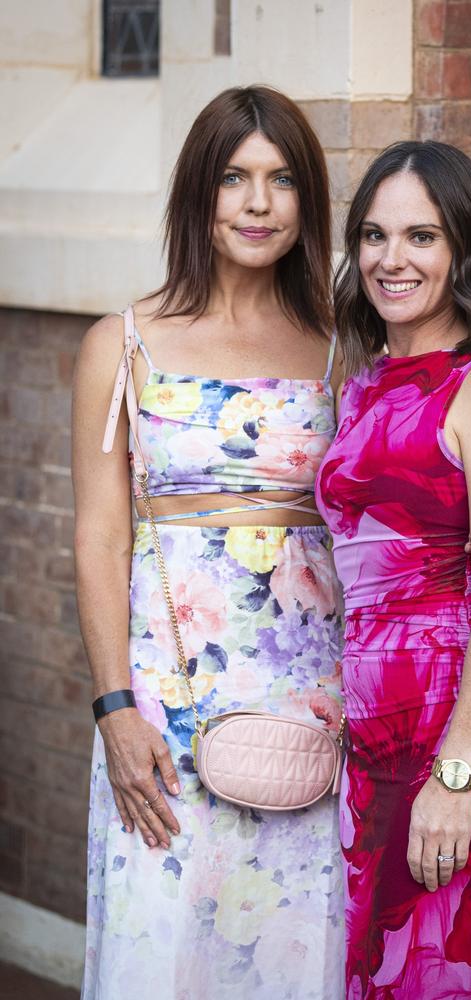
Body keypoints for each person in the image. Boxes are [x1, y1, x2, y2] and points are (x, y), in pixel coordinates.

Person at [72, 85, 345, 999]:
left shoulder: (343, 349)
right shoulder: (123, 344)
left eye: (281, 180)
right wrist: (114, 708)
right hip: (162, 707)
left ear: (308, 200)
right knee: (163, 944)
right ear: (200, 190)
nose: (259, 204)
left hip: (309, 711)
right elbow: (101, 532)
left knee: (292, 952)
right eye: (235, 177)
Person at [316, 141, 471, 999]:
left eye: (421, 236)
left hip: (456, 741)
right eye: (373, 236)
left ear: (463, 250)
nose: (391, 259)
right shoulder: (366, 382)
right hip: (373, 744)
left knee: (450, 979)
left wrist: (455, 776)